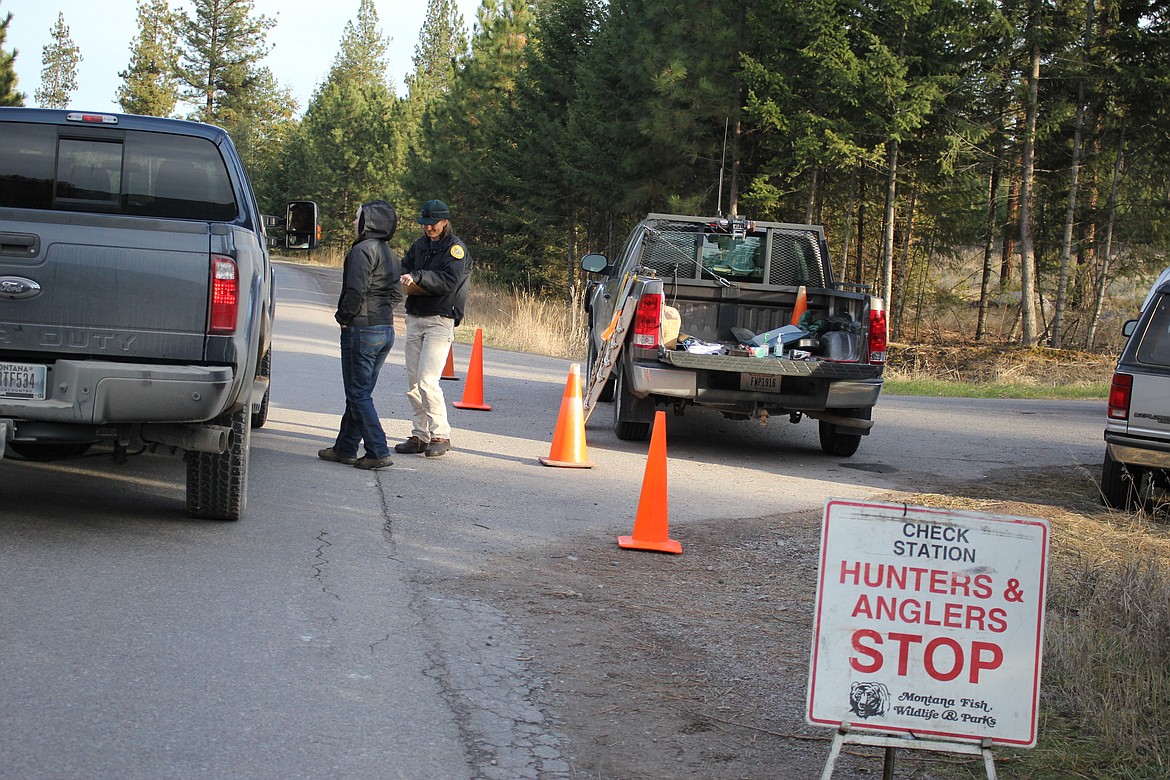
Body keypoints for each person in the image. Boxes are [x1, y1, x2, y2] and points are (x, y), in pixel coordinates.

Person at [318, 200, 402, 470]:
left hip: (362, 329)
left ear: (371, 221)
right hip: (384, 329)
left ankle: (378, 450)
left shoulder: (362, 251)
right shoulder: (390, 254)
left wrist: (344, 318)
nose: (354, 223)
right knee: (360, 392)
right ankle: (345, 448)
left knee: (358, 393)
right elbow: (397, 294)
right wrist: (380, 312)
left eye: (358, 218)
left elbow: (355, 290)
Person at [395, 199, 472, 458]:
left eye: (433, 224)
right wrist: (405, 274)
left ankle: (441, 434)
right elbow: (405, 265)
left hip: (440, 319)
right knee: (413, 383)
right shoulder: (420, 245)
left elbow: (449, 281)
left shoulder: (456, 250)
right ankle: (420, 435)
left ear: (444, 222)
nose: (429, 229)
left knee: (428, 381)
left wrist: (418, 277)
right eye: (425, 224)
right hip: (415, 316)